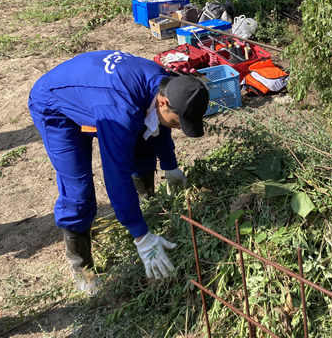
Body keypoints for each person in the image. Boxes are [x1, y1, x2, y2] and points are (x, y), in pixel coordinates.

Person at [28, 50, 210, 293]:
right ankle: (84, 271)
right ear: (164, 102)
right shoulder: (120, 112)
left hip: (96, 92)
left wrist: (169, 164)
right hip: (56, 105)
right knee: (78, 190)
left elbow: (158, 125)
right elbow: (116, 175)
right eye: (179, 122)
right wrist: (142, 237)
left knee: (143, 149)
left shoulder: (164, 82)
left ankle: (150, 212)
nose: (179, 127)